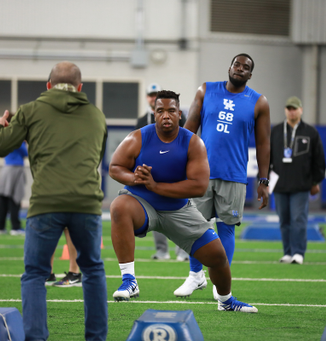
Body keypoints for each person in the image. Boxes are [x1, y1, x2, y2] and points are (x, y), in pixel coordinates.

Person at [0, 61, 108, 340]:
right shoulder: (96, 115)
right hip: (87, 203)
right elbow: (96, 158)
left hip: (46, 204)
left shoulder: (31, 111)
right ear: (79, 87)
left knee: (35, 274)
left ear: (48, 85)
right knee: (92, 271)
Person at [109, 90, 257, 313]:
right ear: (154, 113)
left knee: (217, 257)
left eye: (171, 111)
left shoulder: (192, 143)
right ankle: (129, 280)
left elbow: (198, 186)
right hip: (143, 205)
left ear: (179, 113)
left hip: (178, 208)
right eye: (160, 111)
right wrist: (134, 177)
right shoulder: (138, 137)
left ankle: (226, 301)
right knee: (119, 206)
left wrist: (156, 186)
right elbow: (114, 167)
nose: (165, 115)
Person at [175, 53, 271, 298]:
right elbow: (189, 129)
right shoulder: (206, 90)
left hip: (235, 175)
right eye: (236, 64)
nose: (239, 69)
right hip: (201, 173)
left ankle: (221, 286)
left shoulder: (259, 102)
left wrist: (263, 180)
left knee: (226, 230)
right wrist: (176, 162)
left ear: (250, 75)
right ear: (229, 67)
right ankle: (195, 276)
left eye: (245, 67)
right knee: (194, 228)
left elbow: (263, 144)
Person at [135, 83, 189, 261]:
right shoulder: (142, 121)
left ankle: (182, 251)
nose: (152, 98)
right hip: (153, 172)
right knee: (156, 211)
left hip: (176, 169)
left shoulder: (179, 117)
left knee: (181, 210)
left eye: (155, 95)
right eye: (150, 95)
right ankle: (161, 250)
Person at [270, 96, 326, 265]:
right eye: (289, 108)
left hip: (301, 184)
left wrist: (316, 181)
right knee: (284, 220)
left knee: (298, 219)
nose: (292, 111)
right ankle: (288, 252)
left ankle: (298, 252)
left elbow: (319, 159)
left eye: (295, 108)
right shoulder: (276, 131)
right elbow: (266, 156)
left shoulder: (310, 132)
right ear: (285, 110)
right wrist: (264, 180)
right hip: (280, 184)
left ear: (301, 110)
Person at [0, 139, 27, 236]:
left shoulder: (5, 138)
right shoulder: (18, 140)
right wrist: (24, 142)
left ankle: (0, 227)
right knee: (15, 199)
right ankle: (15, 227)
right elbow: (25, 153)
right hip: (16, 169)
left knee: (3, 199)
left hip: (5, 169)